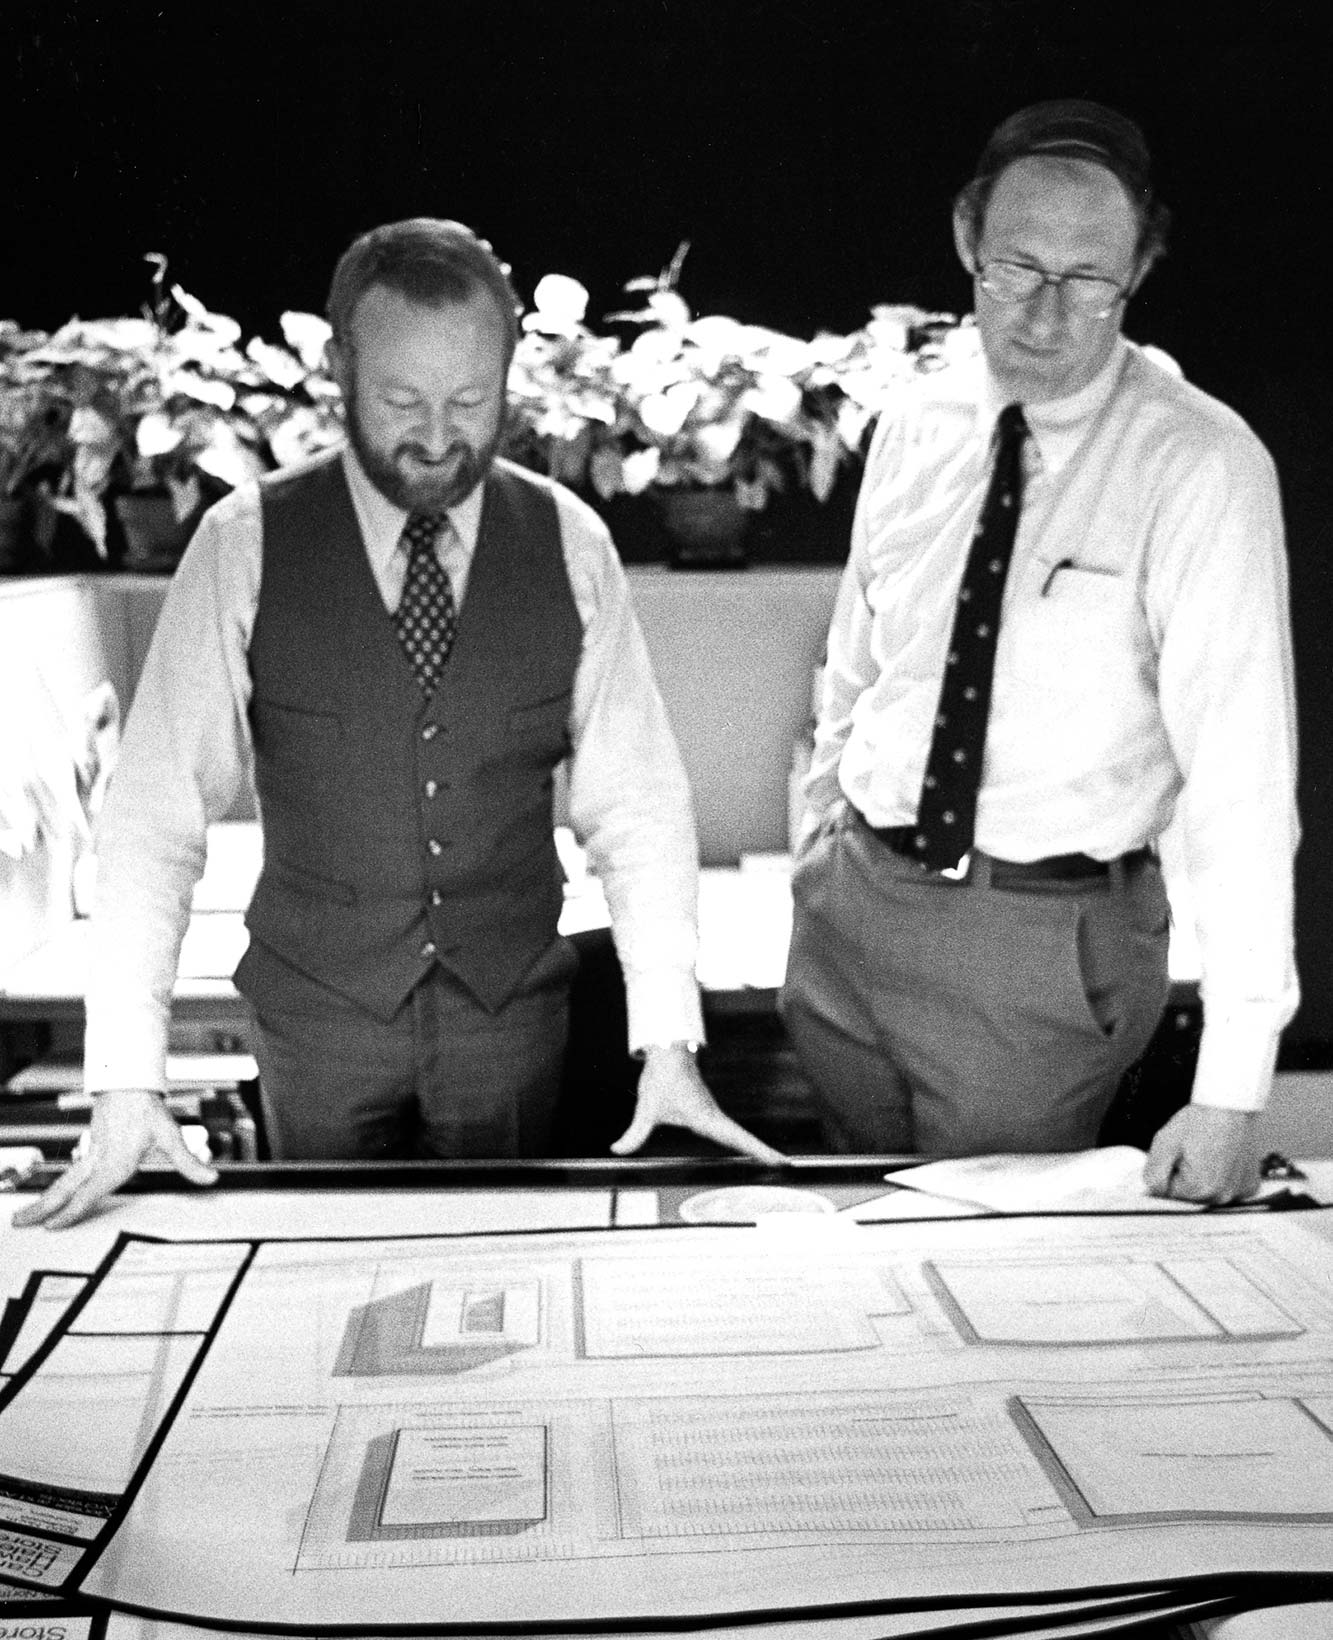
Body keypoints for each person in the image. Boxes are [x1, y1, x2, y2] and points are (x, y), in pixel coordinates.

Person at [19, 218, 778, 1231]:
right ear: (340, 368)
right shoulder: (242, 543)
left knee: (507, 1272)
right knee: (325, 1277)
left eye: (470, 401)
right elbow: (154, 819)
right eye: (401, 401)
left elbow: (636, 808)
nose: (435, 436)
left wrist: (668, 1046)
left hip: (509, 1020)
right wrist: (126, 1080)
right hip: (317, 1024)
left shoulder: (570, 543)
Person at [781, 99, 1298, 1206]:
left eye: (1088, 279)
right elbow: (857, 664)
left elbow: (1242, 779)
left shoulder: (1199, 464)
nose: (1046, 313)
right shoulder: (915, 421)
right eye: (1015, 267)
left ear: (1138, 272)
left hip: (1037, 947)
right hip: (850, 921)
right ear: (966, 237)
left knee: (987, 1272)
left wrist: (1232, 1087)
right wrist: (820, 849)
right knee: (852, 1247)